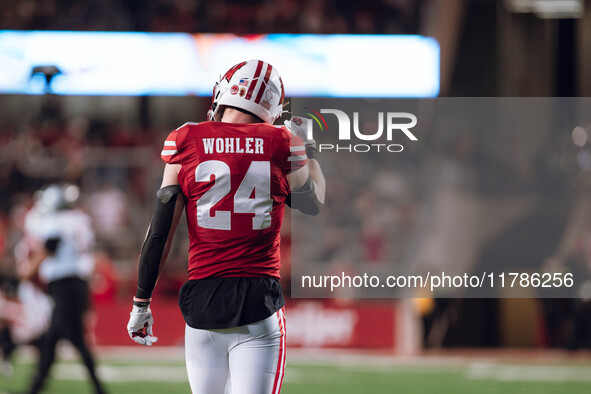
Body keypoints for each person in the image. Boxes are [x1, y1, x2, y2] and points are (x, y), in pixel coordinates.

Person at [126, 59, 325, 394]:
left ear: (225, 91)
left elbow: (159, 233)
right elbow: (311, 202)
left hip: (203, 305)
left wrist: (141, 303)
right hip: (257, 305)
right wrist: (308, 147)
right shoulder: (281, 142)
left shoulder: (185, 139)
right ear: (271, 106)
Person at [20, 184, 106, 394]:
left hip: (64, 284)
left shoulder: (57, 222)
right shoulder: (80, 220)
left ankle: (37, 387)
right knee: (59, 338)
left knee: (65, 339)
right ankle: (37, 387)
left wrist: (27, 271)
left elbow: (49, 248)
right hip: (78, 282)